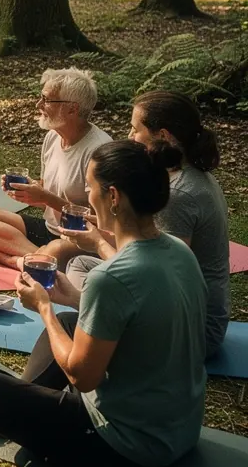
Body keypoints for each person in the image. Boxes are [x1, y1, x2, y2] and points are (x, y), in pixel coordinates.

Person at [0, 140, 206, 467]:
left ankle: (12, 417)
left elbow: (81, 377)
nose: (86, 194)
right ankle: (14, 414)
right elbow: (138, 296)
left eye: (90, 187)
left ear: (112, 197)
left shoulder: (110, 279)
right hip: (178, 428)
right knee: (72, 321)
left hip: (127, 444)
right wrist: (86, 270)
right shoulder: (177, 250)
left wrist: (44, 308)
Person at [57, 91, 229, 357]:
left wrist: (100, 243)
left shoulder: (179, 193)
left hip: (192, 330)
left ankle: (96, 316)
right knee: (80, 264)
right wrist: (105, 229)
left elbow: (157, 281)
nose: (129, 136)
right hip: (173, 303)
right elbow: (150, 248)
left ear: (163, 135)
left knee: (95, 282)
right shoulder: (185, 175)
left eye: (135, 129)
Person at [0, 68, 110, 266]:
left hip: (79, 241)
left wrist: (45, 198)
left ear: (72, 109)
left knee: (58, 250)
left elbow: (102, 221)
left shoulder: (99, 151)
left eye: (46, 100)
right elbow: (47, 194)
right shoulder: (52, 137)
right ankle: (38, 258)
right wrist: (32, 192)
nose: (38, 104)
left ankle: (16, 259)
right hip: (50, 230)